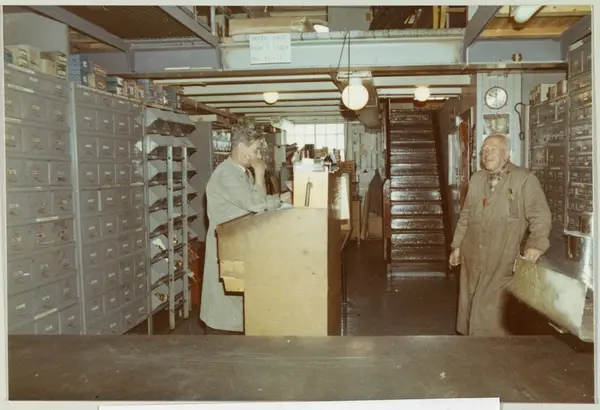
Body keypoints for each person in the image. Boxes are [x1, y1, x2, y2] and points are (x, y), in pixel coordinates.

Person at [448, 134, 552, 336]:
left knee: (493, 311)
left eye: (493, 149)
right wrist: (457, 246)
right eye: (484, 150)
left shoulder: (524, 179)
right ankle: (471, 346)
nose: (487, 154)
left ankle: (492, 350)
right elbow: (466, 215)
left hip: (503, 255)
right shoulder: (477, 179)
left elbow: (540, 215)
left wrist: (535, 244)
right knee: (471, 301)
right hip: (473, 253)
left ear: (507, 153)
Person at [200, 125, 292, 335]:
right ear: (241, 146)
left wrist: (278, 198)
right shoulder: (226, 174)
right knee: (222, 311)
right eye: (256, 149)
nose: (259, 156)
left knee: (237, 307)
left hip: (238, 243)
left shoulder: (241, 173)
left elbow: (258, 200)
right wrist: (260, 173)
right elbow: (256, 204)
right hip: (225, 245)